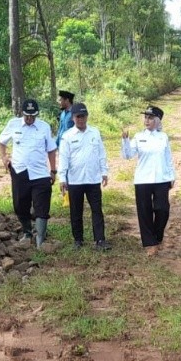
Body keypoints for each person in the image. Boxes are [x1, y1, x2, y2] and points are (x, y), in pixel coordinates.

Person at [0, 98, 57, 247]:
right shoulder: (13, 124)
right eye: (27, 116)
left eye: (33, 116)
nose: (30, 119)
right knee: (20, 205)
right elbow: (2, 142)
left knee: (42, 206)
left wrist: (53, 170)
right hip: (20, 171)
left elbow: (51, 149)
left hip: (40, 173)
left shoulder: (44, 127)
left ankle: (40, 241)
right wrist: (4, 158)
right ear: (22, 113)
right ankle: (27, 232)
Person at [122, 105, 176, 256]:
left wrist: (172, 176)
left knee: (162, 209)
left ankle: (157, 237)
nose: (147, 120)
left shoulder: (163, 137)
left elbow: (168, 158)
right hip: (143, 179)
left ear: (158, 121)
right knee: (144, 211)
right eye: (145, 117)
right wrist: (125, 140)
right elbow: (128, 155)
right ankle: (149, 243)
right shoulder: (139, 137)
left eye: (150, 118)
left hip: (161, 178)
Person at [58, 102, 111, 251]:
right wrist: (62, 178)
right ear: (73, 118)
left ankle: (100, 240)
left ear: (87, 117)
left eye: (83, 116)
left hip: (93, 178)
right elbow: (63, 158)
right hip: (75, 180)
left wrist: (104, 171)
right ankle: (78, 240)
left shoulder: (95, 133)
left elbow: (101, 153)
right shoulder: (67, 136)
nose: (81, 119)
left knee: (97, 210)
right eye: (78, 117)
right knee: (76, 211)